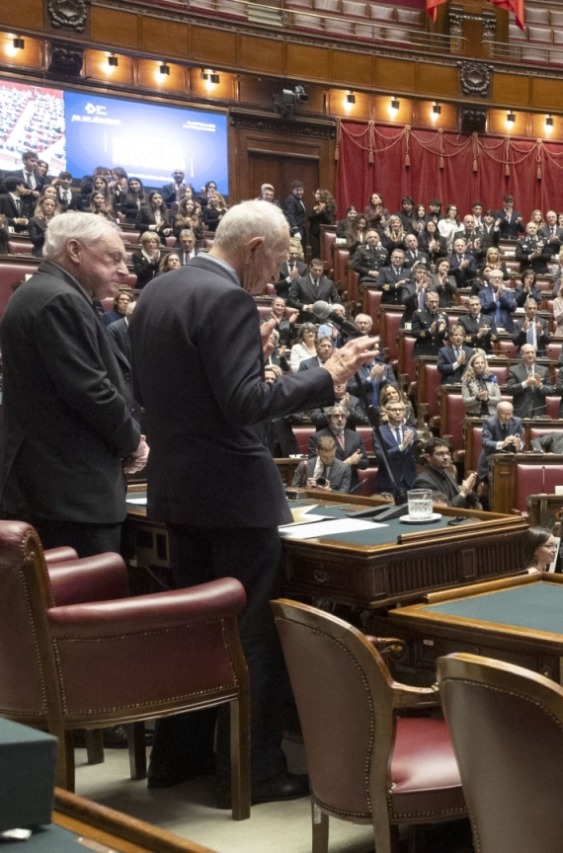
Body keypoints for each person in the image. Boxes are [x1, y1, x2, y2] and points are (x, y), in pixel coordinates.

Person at [130, 200, 379, 807]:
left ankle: (179, 760)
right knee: (250, 635)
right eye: (281, 258)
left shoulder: (158, 292)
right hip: (235, 499)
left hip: (178, 490)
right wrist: (328, 372)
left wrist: (250, 356)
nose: (279, 272)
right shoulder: (228, 300)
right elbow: (243, 405)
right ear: (254, 248)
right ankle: (254, 772)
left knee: (195, 628)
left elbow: (177, 388)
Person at [0, 212, 147, 557]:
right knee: (86, 591)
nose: (124, 270)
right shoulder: (60, 299)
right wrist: (133, 443)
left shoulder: (42, 292)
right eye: (113, 258)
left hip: (52, 490)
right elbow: (91, 392)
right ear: (75, 250)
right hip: (70, 497)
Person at [412, 436, 479, 507]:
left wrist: (469, 490)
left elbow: (471, 501)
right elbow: (445, 509)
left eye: (447, 453)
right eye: (440, 454)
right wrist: (464, 492)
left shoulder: (447, 473)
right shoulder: (422, 482)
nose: (446, 457)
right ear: (428, 457)